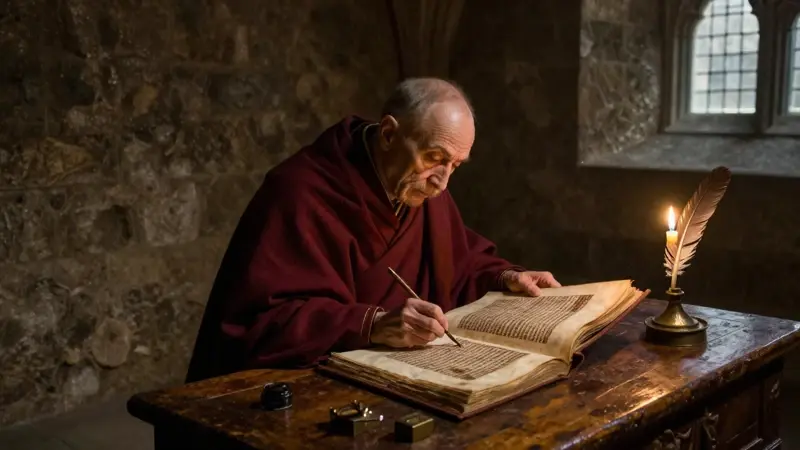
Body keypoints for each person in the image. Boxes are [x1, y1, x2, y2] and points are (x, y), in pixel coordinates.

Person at [185, 77, 560, 382]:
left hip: (398, 376)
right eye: (434, 158)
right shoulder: (300, 192)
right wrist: (373, 324)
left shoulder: (421, 188)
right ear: (387, 134)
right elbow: (256, 324)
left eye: (456, 166)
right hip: (300, 384)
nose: (442, 183)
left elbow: (457, 260)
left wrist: (506, 276)